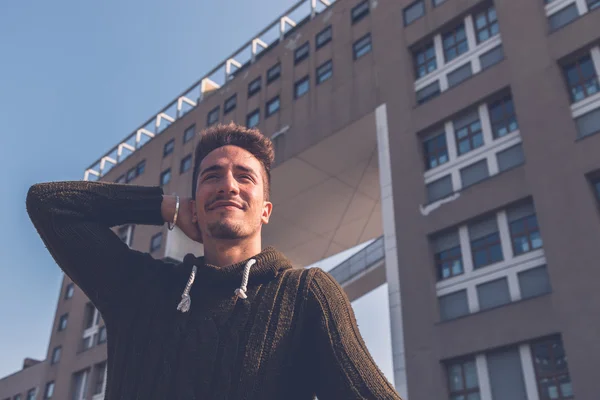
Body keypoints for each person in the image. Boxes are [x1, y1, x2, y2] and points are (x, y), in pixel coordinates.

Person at [26, 123, 402, 399]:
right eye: (212, 176)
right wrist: (164, 207)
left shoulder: (306, 295)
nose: (228, 185)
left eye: (244, 176)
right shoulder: (140, 288)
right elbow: (49, 204)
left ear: (266, 210)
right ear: (193, 203)